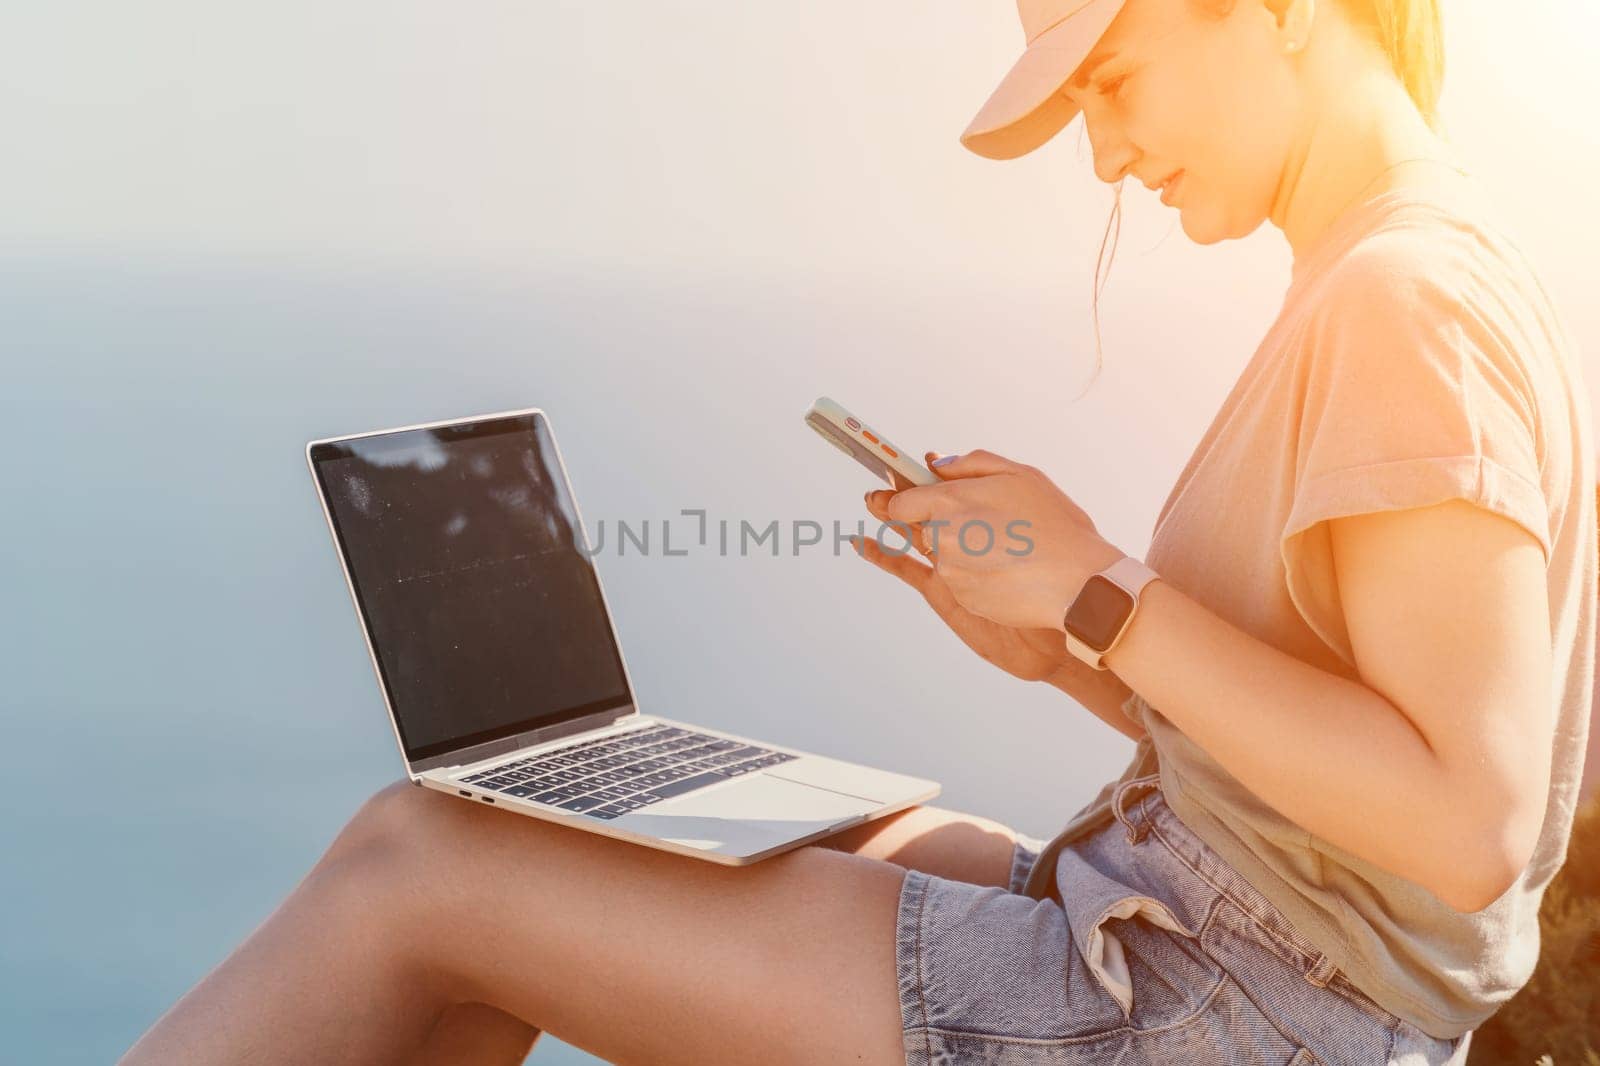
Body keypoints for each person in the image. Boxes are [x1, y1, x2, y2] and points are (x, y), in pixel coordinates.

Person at [121, 0, 1594, 1063]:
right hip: (1225, 947)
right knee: (716, 840)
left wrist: (1100, 594)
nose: (1106, 155)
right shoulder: (1400, 264)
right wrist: (1064, 649)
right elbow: (1347, 744)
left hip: (1220, 1009)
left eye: (1114, 80)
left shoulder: (1407, 304)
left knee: (420, 861)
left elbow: (1466, 827)